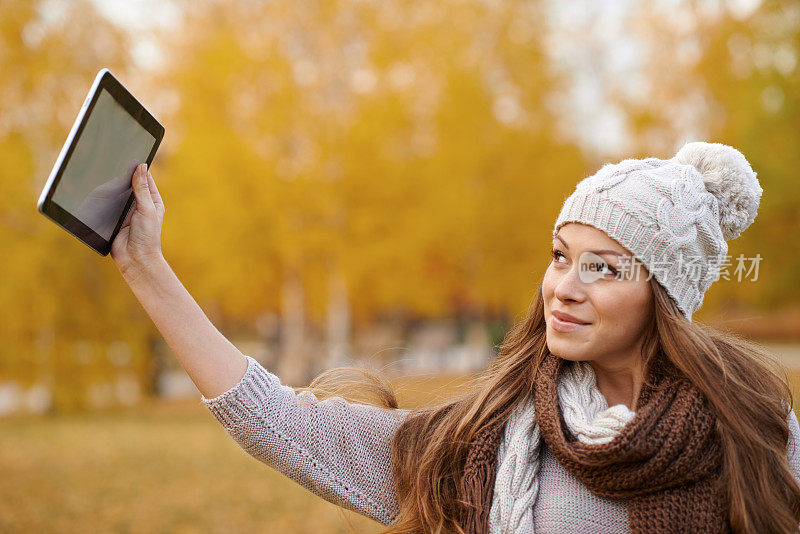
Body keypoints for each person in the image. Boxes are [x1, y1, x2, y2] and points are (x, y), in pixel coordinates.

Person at [112, 142, 800, 534]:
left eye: (604, 268)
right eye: (560, 256)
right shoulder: (483, 444)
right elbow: (278, 421)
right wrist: (146, 267)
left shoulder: (754, 432)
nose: (564, 285)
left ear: (664, 295)